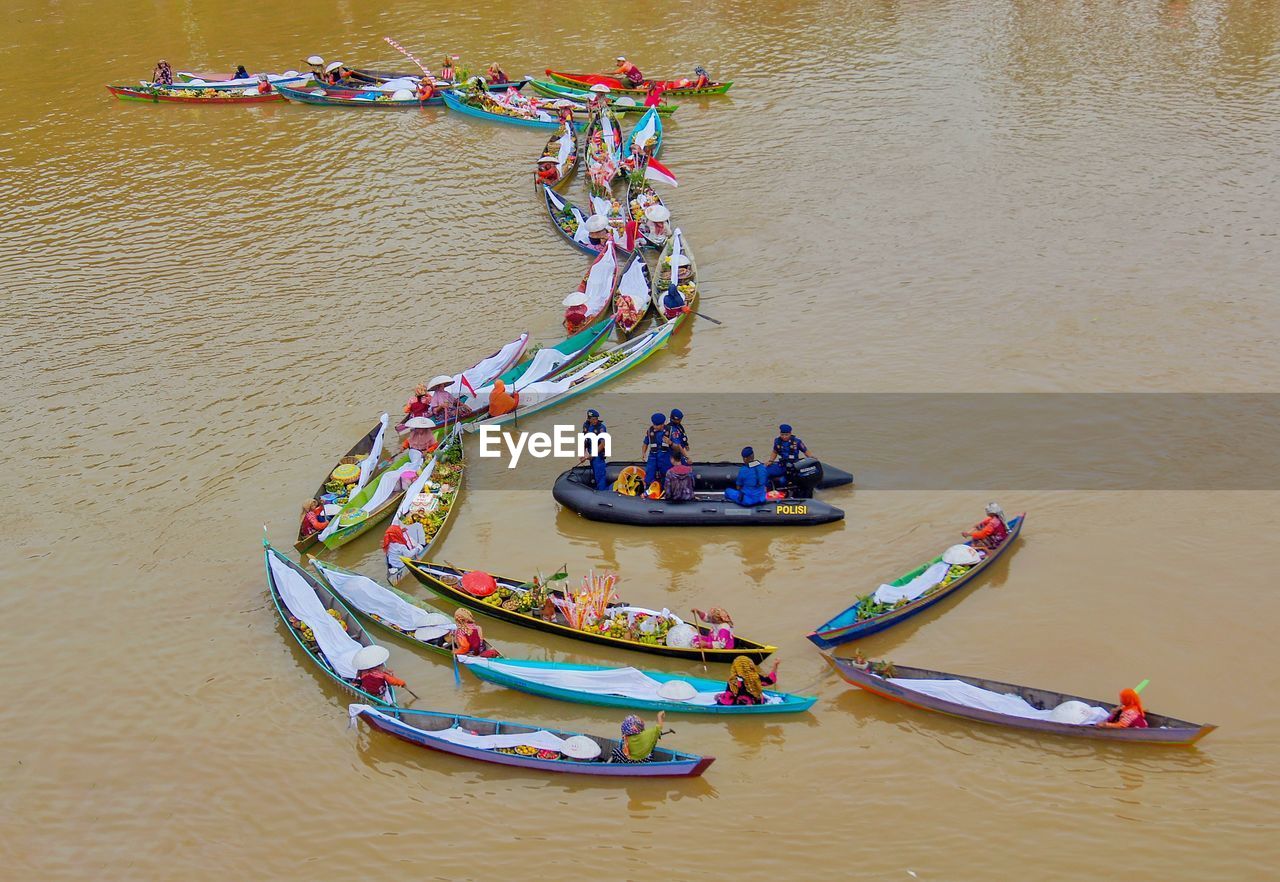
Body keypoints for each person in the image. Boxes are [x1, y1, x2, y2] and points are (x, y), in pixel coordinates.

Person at [766, 423, 810, 488]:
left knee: (782, 481)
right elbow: (774, 452)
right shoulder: (777, 441)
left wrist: (811, 458)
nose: (784, 437)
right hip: (783, 464)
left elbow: (805, 451)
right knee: (765, 471)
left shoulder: (797, 442)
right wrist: (771, 460)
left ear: (790, 433)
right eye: (782, 435)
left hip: (794, 465)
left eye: (786, 435)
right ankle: (767, 488)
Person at [578, 408, 610, 490]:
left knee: (600, 475)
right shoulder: (586, 426)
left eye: (596, 419)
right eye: (593, 419)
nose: (595, 421)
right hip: (590, 452)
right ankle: (598, 489)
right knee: (595, 474)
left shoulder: (601, 428)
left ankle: (602, 492)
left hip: (598, 455)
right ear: (588, 419)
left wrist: (593, 454)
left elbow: (603, 443)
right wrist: (582, 453)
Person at [641, 412, 673, 486]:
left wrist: (670, 442)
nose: (654, 426)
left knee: (666, 475)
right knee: (649, 475)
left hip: (665, 456)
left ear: (662, 424)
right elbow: (645, 443)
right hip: (653, 456)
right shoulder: (650, 431)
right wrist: (643, 453)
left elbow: (677, 446)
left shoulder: (671, 431)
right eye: (654, 424)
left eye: (657, 425)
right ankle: (649, 489)